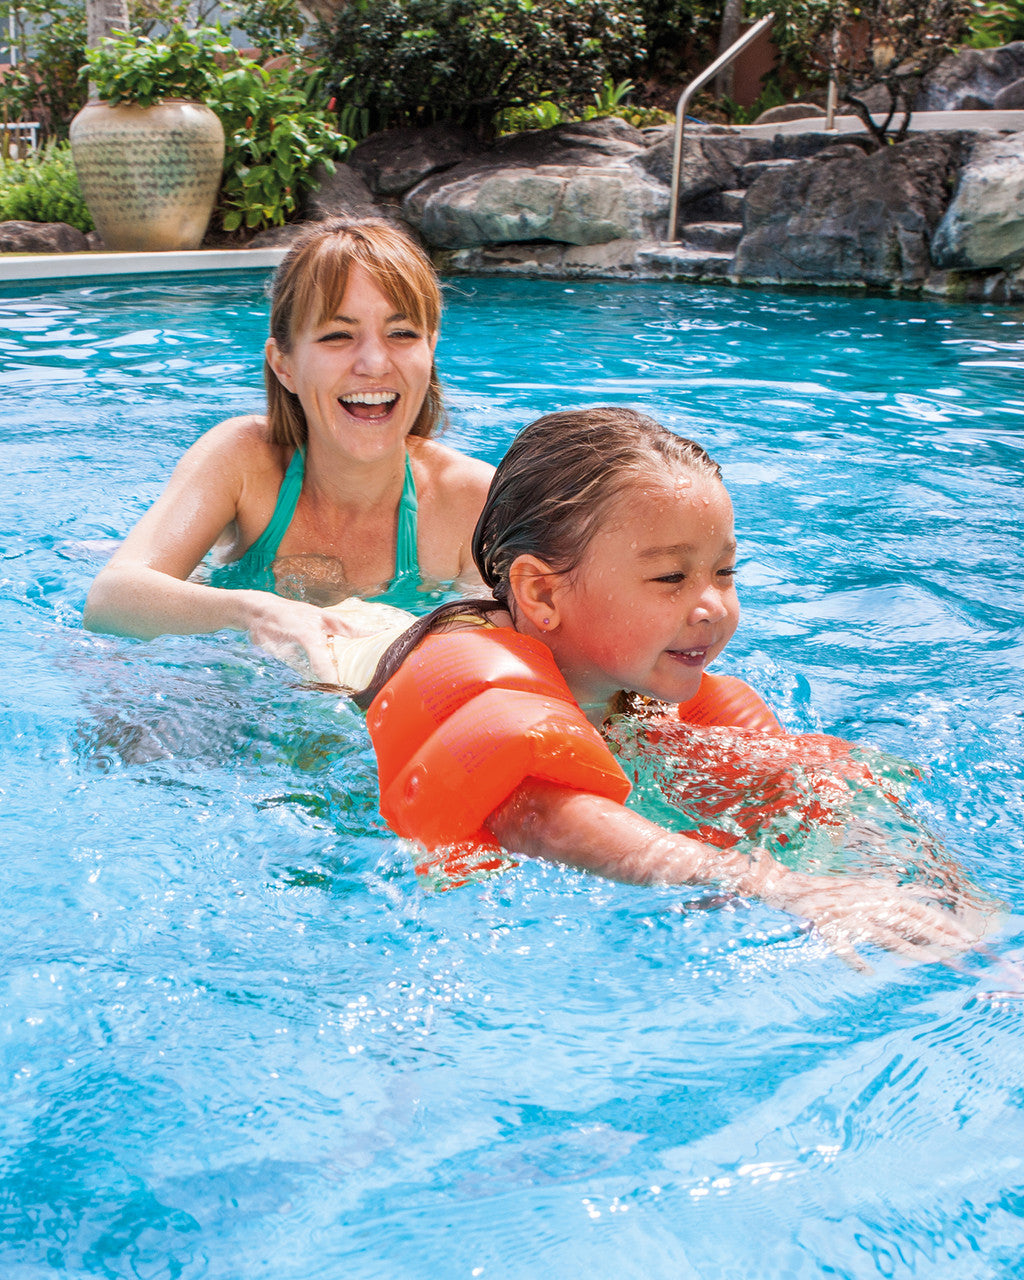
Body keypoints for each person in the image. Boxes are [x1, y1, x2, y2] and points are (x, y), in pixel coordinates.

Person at [330, 406, 989, 967]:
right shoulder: (466, 666)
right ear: (541, 593)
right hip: (334, 682)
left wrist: (966, 926)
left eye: (725, 572)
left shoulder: (642, 689)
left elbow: (805, 794)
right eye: (671, 578)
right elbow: (536, 815)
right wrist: (778, 886)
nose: (713, 606)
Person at [83, 217, 495, 682]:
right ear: (284, 365)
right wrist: (255, 612)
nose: (375, 363)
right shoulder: (244, 460)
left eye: (402, 333)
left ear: (431, 348)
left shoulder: (472, 503)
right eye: (338, 335)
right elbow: (109, 601)